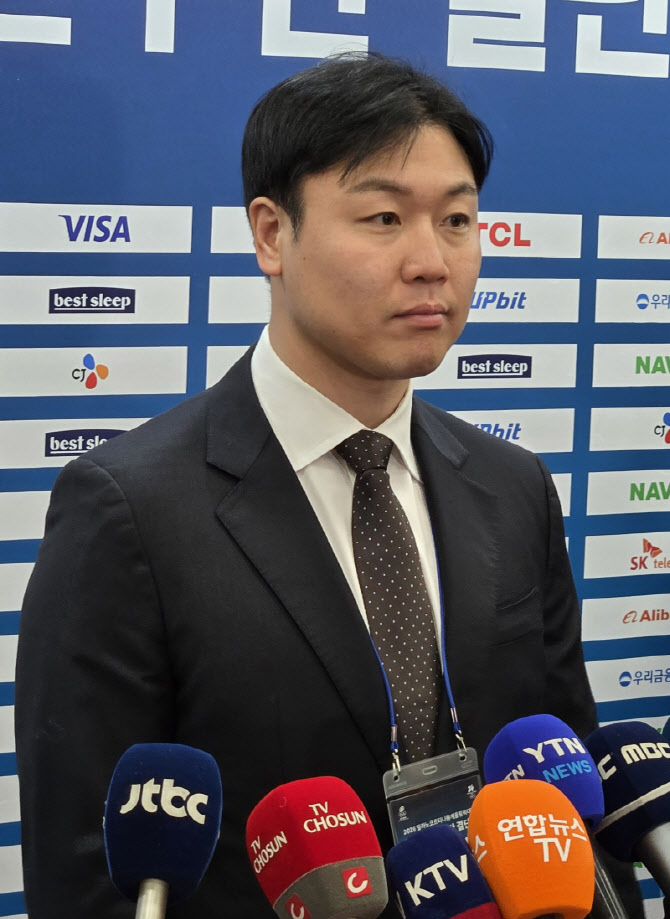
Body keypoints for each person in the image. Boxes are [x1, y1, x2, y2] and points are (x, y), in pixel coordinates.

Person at [15, 53, 640, 918]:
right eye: (384, 217)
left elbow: (576, 801)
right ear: (272, 234)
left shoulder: (514, 486)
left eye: (457, 220)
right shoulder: (126, 509)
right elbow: (87, 869)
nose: (432, 261)